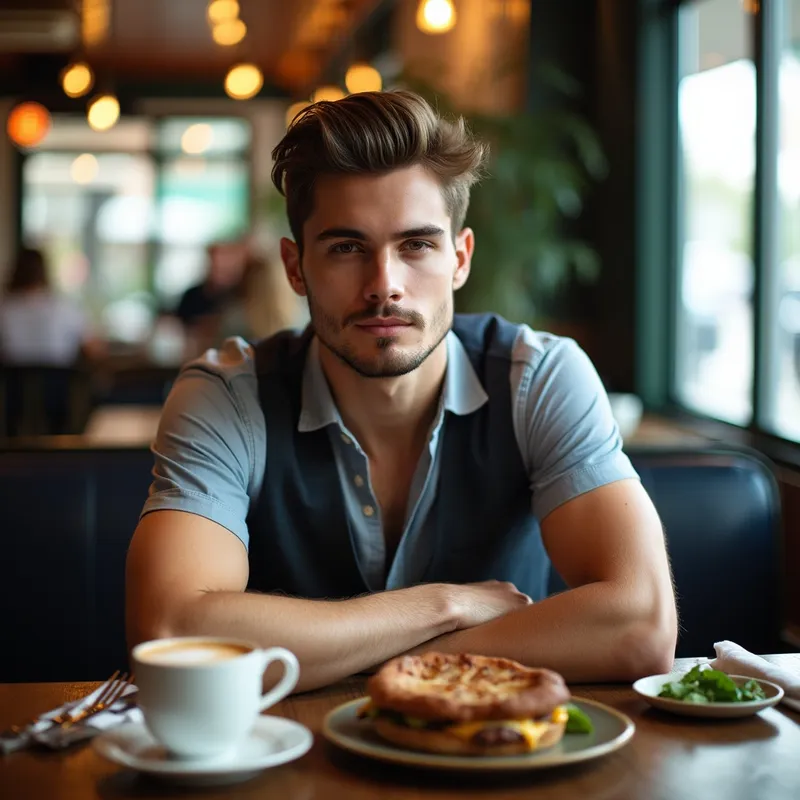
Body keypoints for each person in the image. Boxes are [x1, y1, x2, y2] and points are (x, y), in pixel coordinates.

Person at [126, 91, 677, 692]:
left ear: (460, 259)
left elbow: (642, 625)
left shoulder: (537, 378)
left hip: (504, 762)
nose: (384, 285)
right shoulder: (228, 396)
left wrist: (355, 653)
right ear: (295, 267)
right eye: (346, 248)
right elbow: (170, 628)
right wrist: (441, 606)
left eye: (416, 244)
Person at [0, 247, 90, 366]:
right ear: (44, 272)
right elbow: (91, 347)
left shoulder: (4, 308)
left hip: (13, 382)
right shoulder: (63, 306)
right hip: (59, 382)